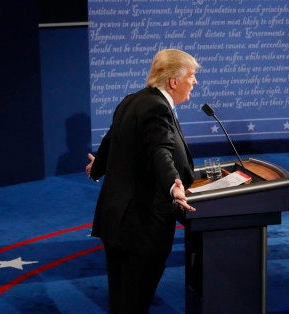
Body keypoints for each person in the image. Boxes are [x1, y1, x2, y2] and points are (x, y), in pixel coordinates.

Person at [85, 48, 199, 313]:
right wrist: (173, 183)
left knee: (122, 299)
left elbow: (111, 139)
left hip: (116, 220)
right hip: (142, 224)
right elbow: (159, 149)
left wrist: (97, 167)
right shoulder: (157, 108)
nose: (194, 82)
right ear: (173, 81)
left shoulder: (132, 100)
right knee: (135, 302)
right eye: (191, 76)